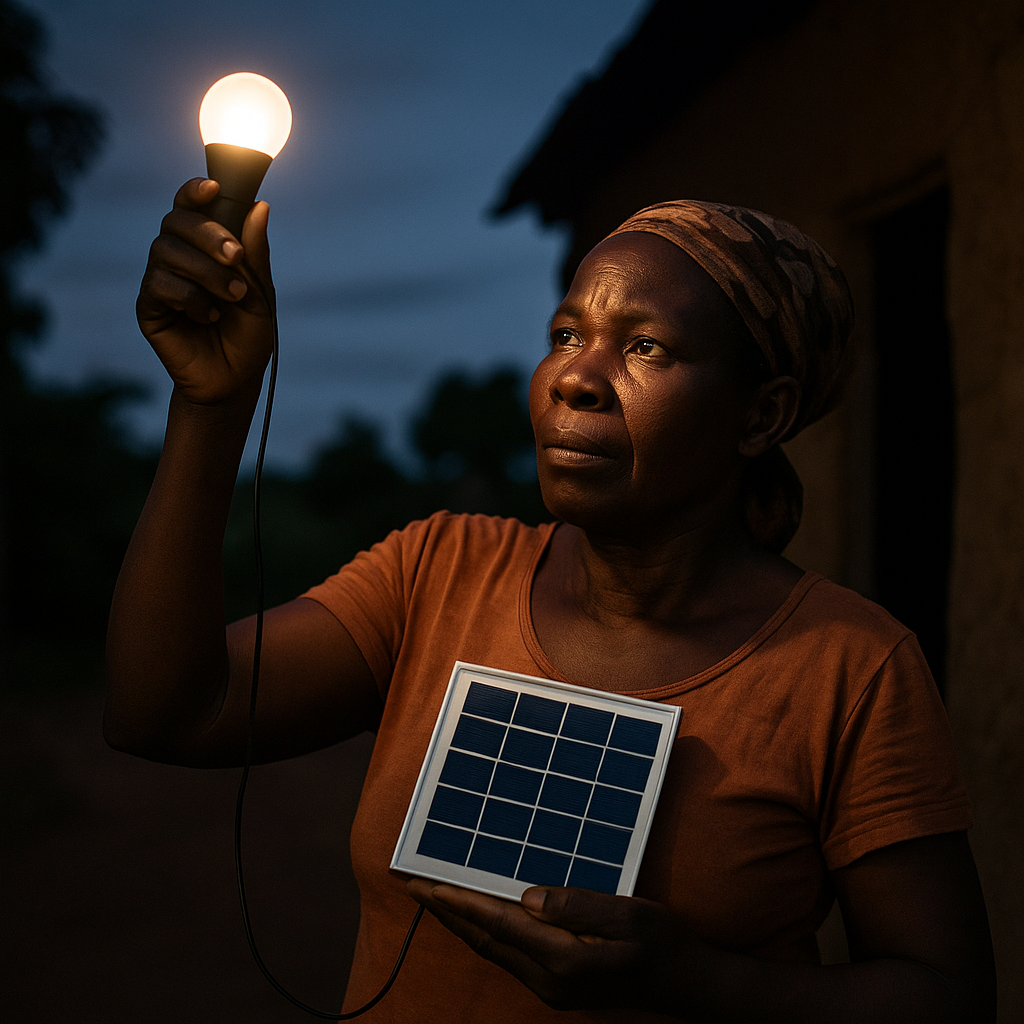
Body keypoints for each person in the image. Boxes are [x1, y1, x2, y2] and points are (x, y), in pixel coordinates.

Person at [105, 181, 996, 1023]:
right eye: (566, 335)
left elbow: (947, 997)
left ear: (761, 417)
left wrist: (694, 981)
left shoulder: (851, 667)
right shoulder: (438, 571)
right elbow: (168, 713)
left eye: (645, 347)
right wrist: (210, 405)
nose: (576, 377)